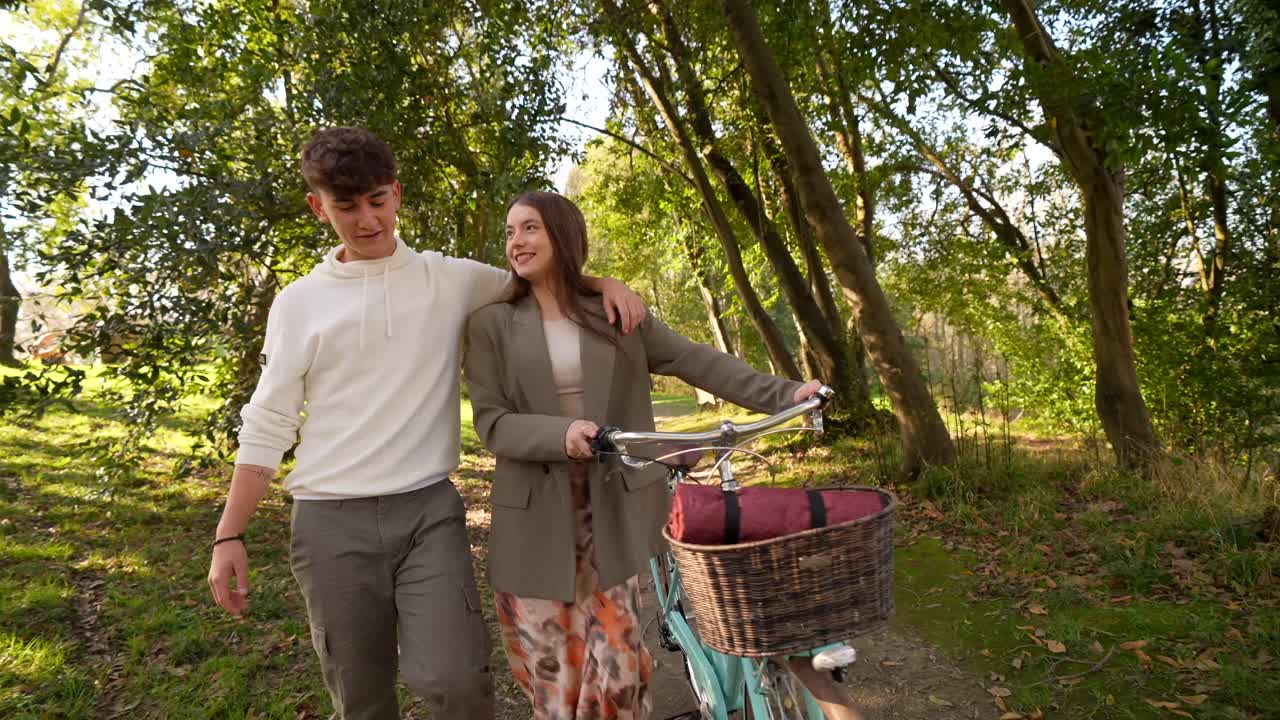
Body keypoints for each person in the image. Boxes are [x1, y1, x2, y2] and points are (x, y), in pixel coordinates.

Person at [206, 128, 645, 720]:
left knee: (456, 680)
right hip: (329, 522)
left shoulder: (450, 279)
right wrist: (229, 535)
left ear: (397, 195)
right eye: (347, 206)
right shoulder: (299, 303)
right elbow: (268, 423)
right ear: (319, 207)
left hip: (427, 514)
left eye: (377, 201)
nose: (366, 220)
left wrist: (600, 282)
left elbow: (538, 280)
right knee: (361, 699)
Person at [464, 191, 821, 720]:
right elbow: (492, 422)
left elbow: (693, 359)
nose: (517, 241)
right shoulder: (491, 324)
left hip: (611, 509)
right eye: (511, 231)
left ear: (563, 234)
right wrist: (563, 434)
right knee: (556, 687)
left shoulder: (613, 309)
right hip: (535, 519)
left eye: (531, 228)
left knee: (622, 676)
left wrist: (784, 393)